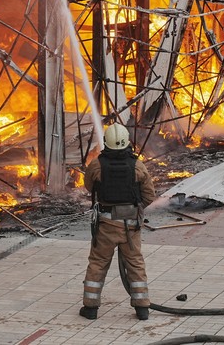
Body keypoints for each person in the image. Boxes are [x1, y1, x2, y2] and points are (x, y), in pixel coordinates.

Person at [80, 123, 156, 321]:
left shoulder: (97, 164)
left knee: (98, 263)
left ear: (106, 143)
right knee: (135, 263)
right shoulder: (138, 165)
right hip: (131, 225)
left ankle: (90, 308)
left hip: (105, 225)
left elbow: (89, 186)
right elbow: (149, 195)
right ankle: (142, 309)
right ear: (127, 143)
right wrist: (134, 209)